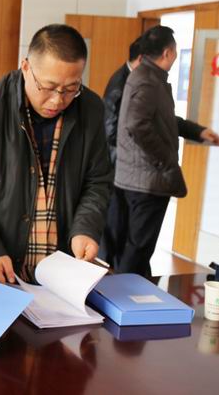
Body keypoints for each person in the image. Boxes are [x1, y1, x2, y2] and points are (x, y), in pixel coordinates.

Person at [0, 24, 112, 284]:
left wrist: (85, 229)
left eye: (71, 88)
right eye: (48, 87)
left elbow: (97, 182)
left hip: (61, 273)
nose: (57, 100)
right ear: (26, 67)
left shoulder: (91, 109)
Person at [114, 25, 219, 277]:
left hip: (137, 178)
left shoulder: (147, 76)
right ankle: (124, 297)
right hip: (146, 182)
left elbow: (162, 120)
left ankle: (136, 294)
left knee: (137, 251)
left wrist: (197, 131)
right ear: (168, 52)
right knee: (137, 251)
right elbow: (137, 125)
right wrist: (164, 162)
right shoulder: (148, 81)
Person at [99, 37, 142, 267]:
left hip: (122, 165)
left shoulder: (131, 78)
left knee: (120, 225)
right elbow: (110, 130)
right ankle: (108, 269)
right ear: (142, 59)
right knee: (114, 224)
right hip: (115, 165)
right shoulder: (121, 83)